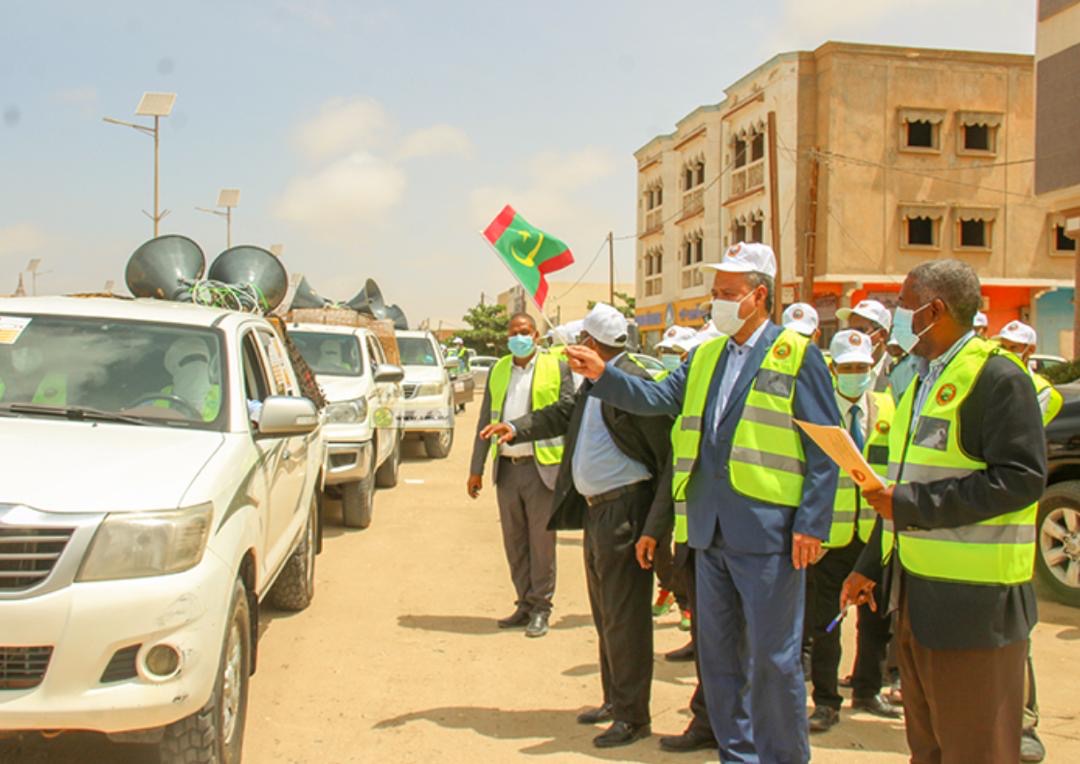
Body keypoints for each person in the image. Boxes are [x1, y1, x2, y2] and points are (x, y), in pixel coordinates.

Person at [567, 243, 839, 763]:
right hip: (708, 532)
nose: (717, 302)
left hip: (770, 533)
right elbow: (657, 398)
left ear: (758, 297)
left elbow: (825, 446)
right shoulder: (706, 355)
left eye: (728, 293)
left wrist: (812, 522)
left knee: (773, 660)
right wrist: (603, 375)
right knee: (718, 660)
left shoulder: (796, 354)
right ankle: (737, 755)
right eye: (716, 292)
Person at [843, 259, 1047, 764]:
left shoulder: (997, 377)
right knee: (929, 748)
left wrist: (909, 505)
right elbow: (906, 485)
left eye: (904, 305)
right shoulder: (921, 381)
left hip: (976, 609)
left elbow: (1019, 480)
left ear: (934, 311)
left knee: (975, 750)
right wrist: (871, 566)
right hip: (918, 599)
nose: (897, 316)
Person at [481, 303, 673, 749]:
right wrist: (515, 427)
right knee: (606, 615)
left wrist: (654, 527)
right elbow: (561, 414)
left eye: (578, 343)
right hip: (597, 512)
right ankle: (614, 700)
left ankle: (633, 717)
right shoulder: (594, 382)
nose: (570, 352)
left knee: (625, 618)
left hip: (627, 512)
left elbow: (665, 461)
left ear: (591, 343)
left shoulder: (633, 384)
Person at [806, 330, 900, 733]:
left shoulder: (887, 407)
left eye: (862, 367)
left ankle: (868, 689)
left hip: (875, 535)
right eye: (848, 368)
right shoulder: (817, 410)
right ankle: (826, 702)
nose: (856, 374)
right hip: (831, 539)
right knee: (825, 626)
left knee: (876, 621)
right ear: (833, 370)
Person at [467, 313, 574, 638]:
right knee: (514, 542)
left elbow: (568, 412)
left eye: (525, 332)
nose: (519, 337)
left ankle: (541, 608)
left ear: (536, 336)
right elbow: (485, 421)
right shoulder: (499, 370)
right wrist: (476, 469)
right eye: (514, 333)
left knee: (541, 544)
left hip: (542, 468)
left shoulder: (557, 367)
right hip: (507, 469)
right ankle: (524, 603)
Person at [995, 319, 1060, 763]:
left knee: (1017, 636)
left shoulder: (1040, 392)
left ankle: (1025, 724)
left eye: (1016, 346)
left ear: (1030, 351)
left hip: (1013, 528)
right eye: (1004, 344)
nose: (1009, 350)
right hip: (974, 537)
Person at [996, 320, 1063, 426]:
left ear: (1030, 349)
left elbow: (1027, 427)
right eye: (1003, 347)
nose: (1006, 353)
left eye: (1013, 348)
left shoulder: (1042, 390)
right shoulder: (990, 377)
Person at [836, 299, 893, 392]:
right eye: (850, 331)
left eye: (861, 331)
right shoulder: (839, 370)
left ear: (882, 334)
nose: (854, 337)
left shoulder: (898, 373)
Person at [160, 336, 221, 421]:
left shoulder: (224, 396)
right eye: (189, 360)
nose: (197, 364)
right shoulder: (160, 398)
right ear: (174, 367)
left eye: (202, 359)